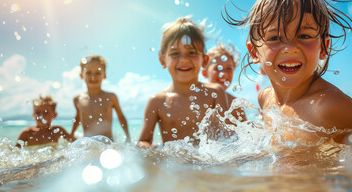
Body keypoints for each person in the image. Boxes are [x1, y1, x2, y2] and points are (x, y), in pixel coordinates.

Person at [224, 0, 352, 148]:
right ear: (254, 52)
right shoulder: (264, 98)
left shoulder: (327, 105)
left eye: (304, 35)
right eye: (274, 38)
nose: (290, 49)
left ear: (323, 47)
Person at [138, 17, 229, 147]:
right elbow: (144, 140)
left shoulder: (215, 93)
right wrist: (149, 151)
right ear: (163, 61)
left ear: (204, 60)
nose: (184, 59)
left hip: (208, 166)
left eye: (192, 52)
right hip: (173, 167)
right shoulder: (157, 102)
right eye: (175, 53)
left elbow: (229, 137)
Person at [71, 55, 131, 143]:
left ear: (104, 75)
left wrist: (128, 137)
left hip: (107, 144)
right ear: (81, 75)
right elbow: (77, 118)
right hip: (88, 146)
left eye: (98, 73)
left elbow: (121, 117)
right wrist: (71, 134)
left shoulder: (111, 97)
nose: (93, 77)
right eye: (88, 73)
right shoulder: (78, 99)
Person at [202, 42, 247, 121]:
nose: (224, 73)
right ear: (205, 73)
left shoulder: (236, 105)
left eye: (228, 68)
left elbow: (246, 132)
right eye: (217, 68)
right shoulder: (198, 99)